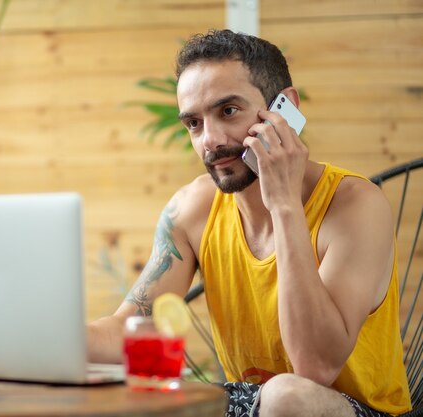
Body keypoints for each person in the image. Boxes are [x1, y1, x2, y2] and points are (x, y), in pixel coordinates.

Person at [87, 29, 412, 417]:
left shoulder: (355, 205)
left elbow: (316, 367)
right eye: (193, 123)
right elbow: (131, 332)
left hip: (351, 409)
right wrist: (37, 340)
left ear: (285, 108)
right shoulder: (192, 209)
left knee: (286, 396)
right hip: (251, 402)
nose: (210, 139)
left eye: (228, 111)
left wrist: (284, 204)